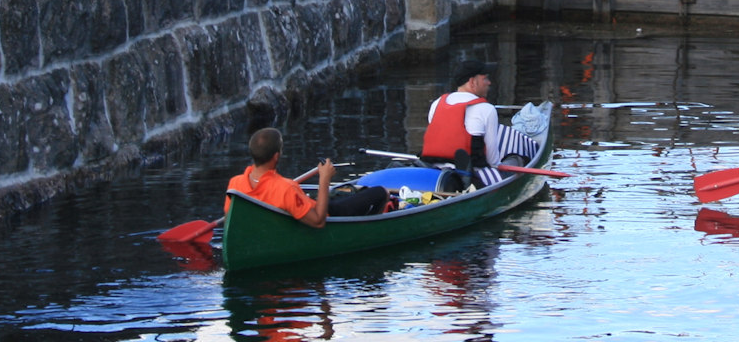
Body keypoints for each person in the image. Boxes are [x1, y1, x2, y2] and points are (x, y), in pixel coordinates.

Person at [224, 127, 386, 226]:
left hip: (303, 205)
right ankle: (369, 229)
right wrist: (324, 179)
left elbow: (229, 216)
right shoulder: (285, 188)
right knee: (381, 192)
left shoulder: (235, 184)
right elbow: (318, 220)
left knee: (338, 195)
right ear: (276, 156)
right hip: (326, 213)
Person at [422, 59, 539, 187]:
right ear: (473, 82)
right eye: (485, 78)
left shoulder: (437, 103)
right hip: (472, 175)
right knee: (516, 159)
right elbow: (493, 161)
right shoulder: (486, 109)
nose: (489, 83)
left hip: (434, 169)